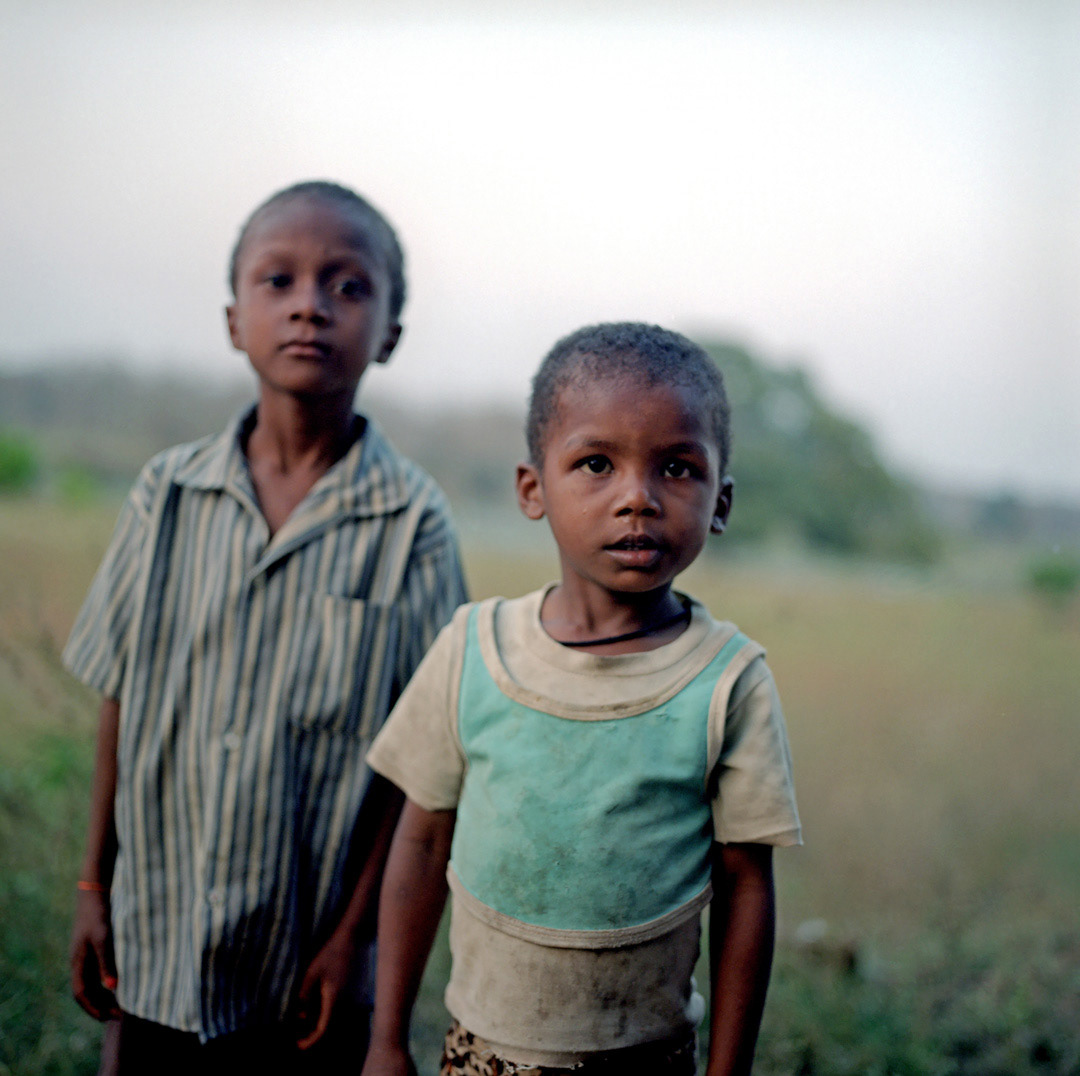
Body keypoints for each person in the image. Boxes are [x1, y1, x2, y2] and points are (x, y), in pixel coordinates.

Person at [63, 180, 468, 1074]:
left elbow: (424, 770)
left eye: (348, 286)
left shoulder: (412, 523)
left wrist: (353, 941)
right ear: (233, 320)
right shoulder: (166, 494)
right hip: (156, 943)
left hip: (308, 972)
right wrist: (96, 886)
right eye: (277, 281)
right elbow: (121, 701)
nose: (310, 307)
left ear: (390, 332)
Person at [362, 322, 802, 1076]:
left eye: (678, 469)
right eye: (596, 464)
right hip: (482, 1055)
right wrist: (385, 1040)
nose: (638, 498)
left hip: (648, 1056)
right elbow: (422, 842)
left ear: (721, 501)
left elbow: (744, 887)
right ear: (534, 488)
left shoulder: (728, 681)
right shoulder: (474, 651)